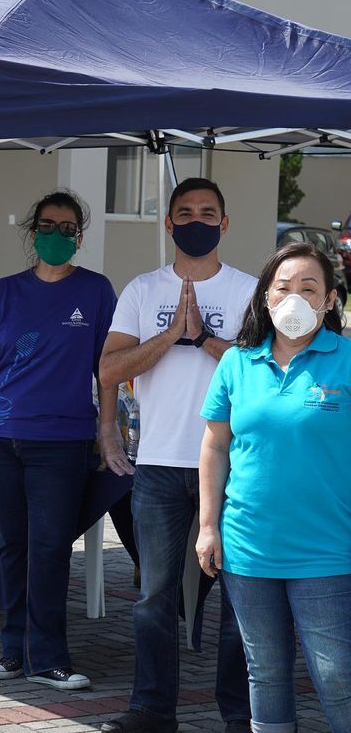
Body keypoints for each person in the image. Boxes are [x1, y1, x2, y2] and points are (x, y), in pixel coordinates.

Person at [99, 177, 254, 733]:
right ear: (168, 223)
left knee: (240, 597)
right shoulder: (143, 290)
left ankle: (240, 713)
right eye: (185, 212)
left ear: (224, 224)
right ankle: (152, 708)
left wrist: (205, 338)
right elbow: (109, 370)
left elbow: (265, 371)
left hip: (235, 465)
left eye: (208, 213)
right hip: (160, 463)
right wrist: (169, 337)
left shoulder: (249, 290)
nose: (196, 221)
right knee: (153, 598)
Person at [0, 190, 124, 691]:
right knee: (9, 546)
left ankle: (48, 656)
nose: (56, 235)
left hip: (62, 440)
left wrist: (108, 431)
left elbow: (107, 369)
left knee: (50, 548)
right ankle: (13, 649)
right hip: (1, 437)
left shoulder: (96, 291)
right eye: (47, 226)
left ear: (80, 237)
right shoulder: (4, 292)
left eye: (67, 228)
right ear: (32, 233)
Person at [197, 242, 351, 732]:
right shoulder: (237, 362)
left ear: (329, 300)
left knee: (337, 676)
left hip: (328, 549)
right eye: (283, 287)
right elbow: (214, 446)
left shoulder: (347, 360)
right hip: (249, 548)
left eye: (309, 288)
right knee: (264, 672)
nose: (295, 298)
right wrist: (207, 526)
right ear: (265, 296)